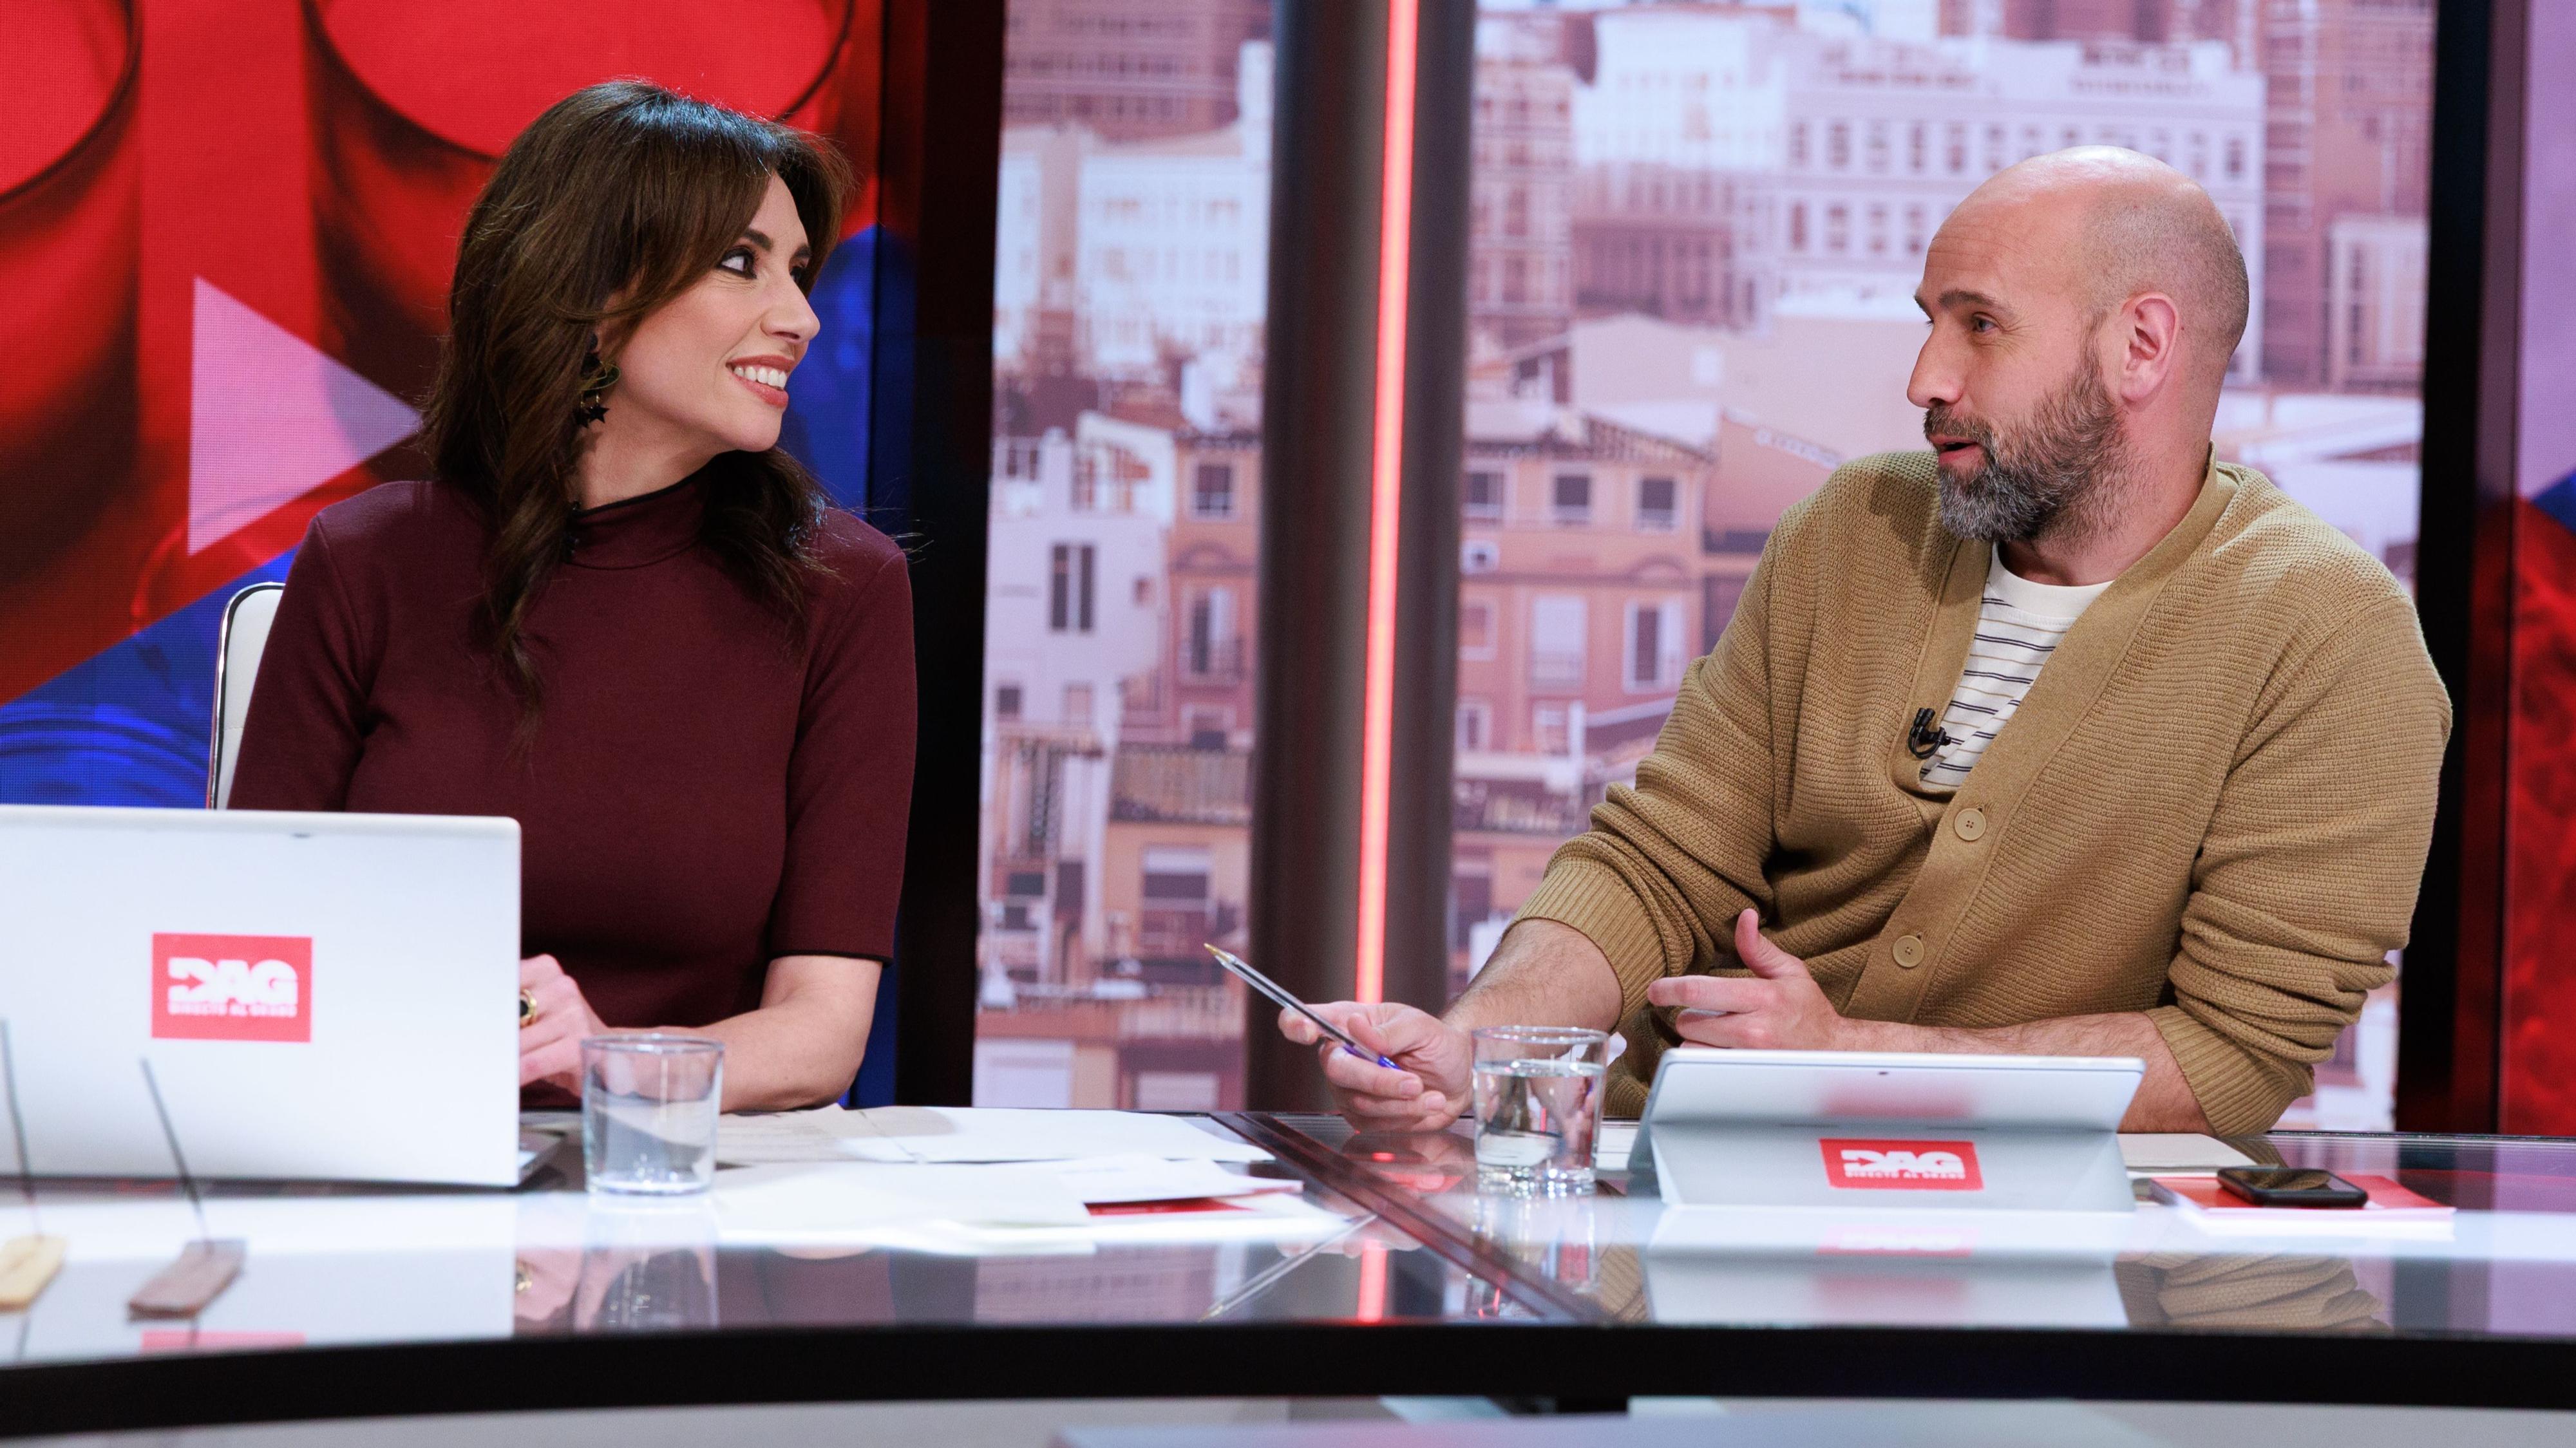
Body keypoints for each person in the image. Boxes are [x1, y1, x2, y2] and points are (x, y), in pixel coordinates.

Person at [1282, 148, 2449, 1138]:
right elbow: (1659, 864)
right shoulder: (1856, 528)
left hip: (2050, 1261)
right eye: (1929, 322)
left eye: (1980, 325)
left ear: (2142, 345)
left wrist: (1851, 1061)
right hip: (1687, 1189)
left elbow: (2233, 1056)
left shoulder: (2331, 639)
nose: (1925, 379)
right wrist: (1475, 1045)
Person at [231, 82, 914, 1111]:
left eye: (800, 271)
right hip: (380, 1139)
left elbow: (821, 1032)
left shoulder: (844, 588)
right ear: (594, 290)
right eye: (743, 263)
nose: (802, 318)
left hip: (679, 1172)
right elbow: (247, 951)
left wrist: (615, 1063)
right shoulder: (368, 561)